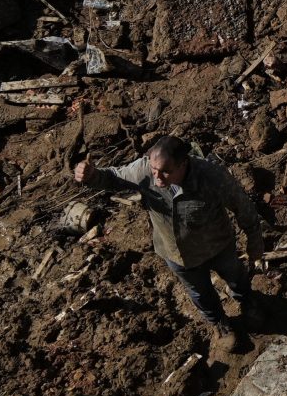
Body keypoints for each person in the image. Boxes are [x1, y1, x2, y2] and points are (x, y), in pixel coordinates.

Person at [75, 136, 266, 352]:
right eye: (154, 169)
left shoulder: (212, 177)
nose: (157, 178)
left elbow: (243, 206)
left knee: (235, 275)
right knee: (200, 293)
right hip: (178, 254)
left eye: (165, 171)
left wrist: (254, 241)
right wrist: (91, 176)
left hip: (217, 246)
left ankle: (248, 300)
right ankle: (219, 324)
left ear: (183, 163)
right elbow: (112, 177)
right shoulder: (144, 171)